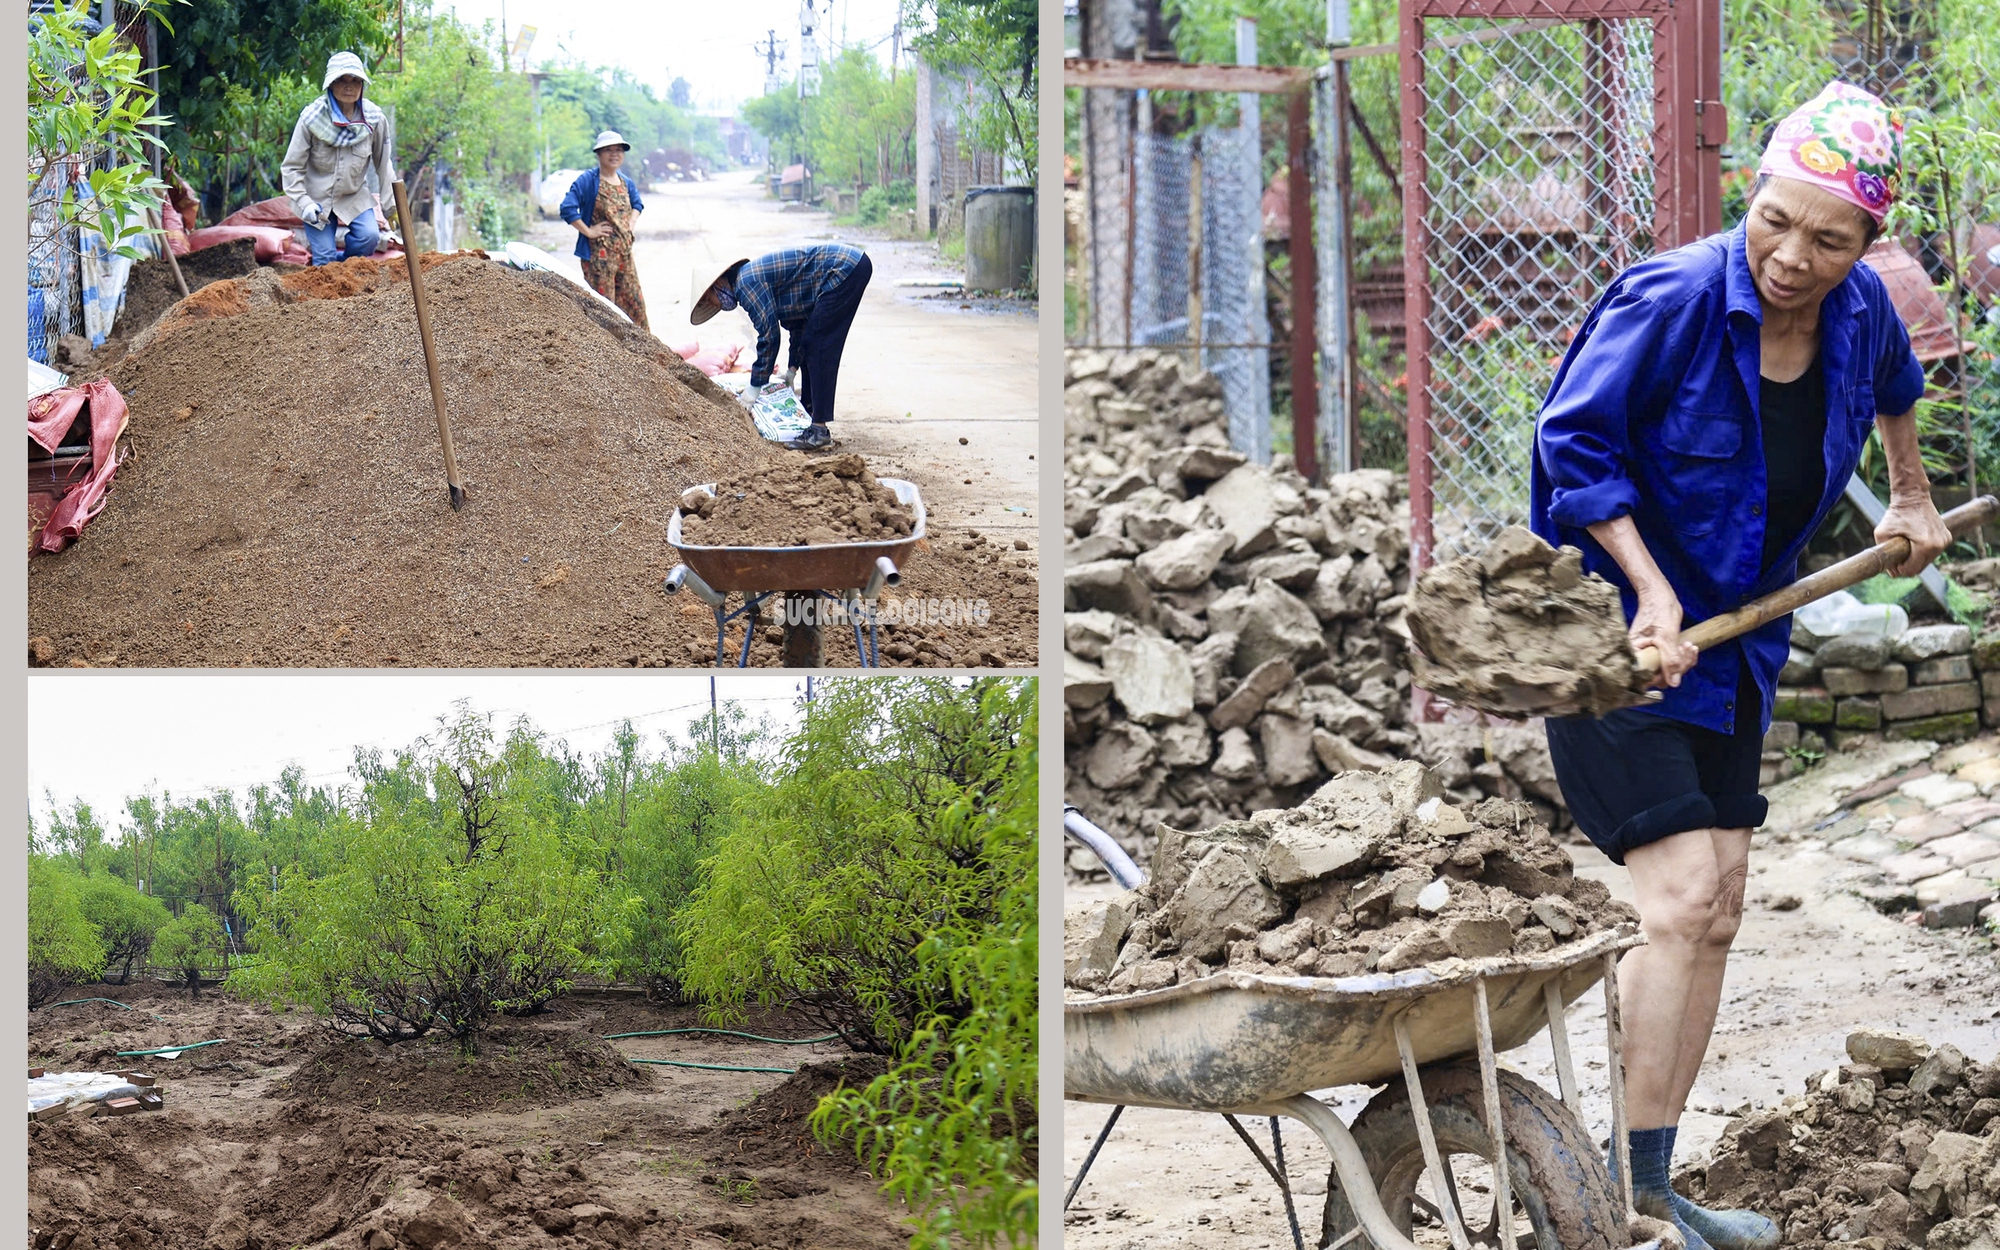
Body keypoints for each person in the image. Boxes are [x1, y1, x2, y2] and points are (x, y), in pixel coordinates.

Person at [1531, 82, 1949, 1250]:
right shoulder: (1666, 297)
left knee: (1714, 907)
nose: (1789, 255)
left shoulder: (1858, 310)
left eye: (1827, 238)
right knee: (1673, 900)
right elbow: (1570, 447)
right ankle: (1612, 1193)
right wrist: (1649, 591)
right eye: (1774, 220)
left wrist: (1909, 493)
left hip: (1737, 647)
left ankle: (1645, 1184)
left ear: (1867, 241)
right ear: (1748, 195)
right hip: (1618, 645)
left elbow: (1892, 390)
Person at [689, 243, 872, 450]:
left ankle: (819, 431)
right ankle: (811, 415)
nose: (714, 304)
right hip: (850, 266)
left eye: (710, 299)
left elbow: (769, 335)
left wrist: (755, 386)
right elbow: (798, 326)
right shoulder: (751, 281)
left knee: (820, 345)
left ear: (719, 284)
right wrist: (792, 371)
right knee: (810, 341)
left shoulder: (746, 284)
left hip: (843, 268)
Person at [281, 52, 395, 267]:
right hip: (316, 199)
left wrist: (391, 207)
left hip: (353, 195)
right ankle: (325, 288)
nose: (349, 86)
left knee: (369, 238)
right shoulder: (311, 118)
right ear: (330, 84)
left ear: (362, 85)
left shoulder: (374, 119)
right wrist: (304, 202)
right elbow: (291, 167)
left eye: (355, 81)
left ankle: (344, 268)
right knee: (324, 260)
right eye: (342, 80)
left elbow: (384, 165)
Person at [560, 132, 649, 330]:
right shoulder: (588, 181)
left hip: (624, 256)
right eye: (608, 150)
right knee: (604, 308)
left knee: (633, 304)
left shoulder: (626, 182)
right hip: (598, 260)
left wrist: (630, 224)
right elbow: (567, 208)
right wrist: (589, 231)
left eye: (618, 150)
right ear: (599, 154)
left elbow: (638, 204)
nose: (614, 154)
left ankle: (640, 353)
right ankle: (606, 353)